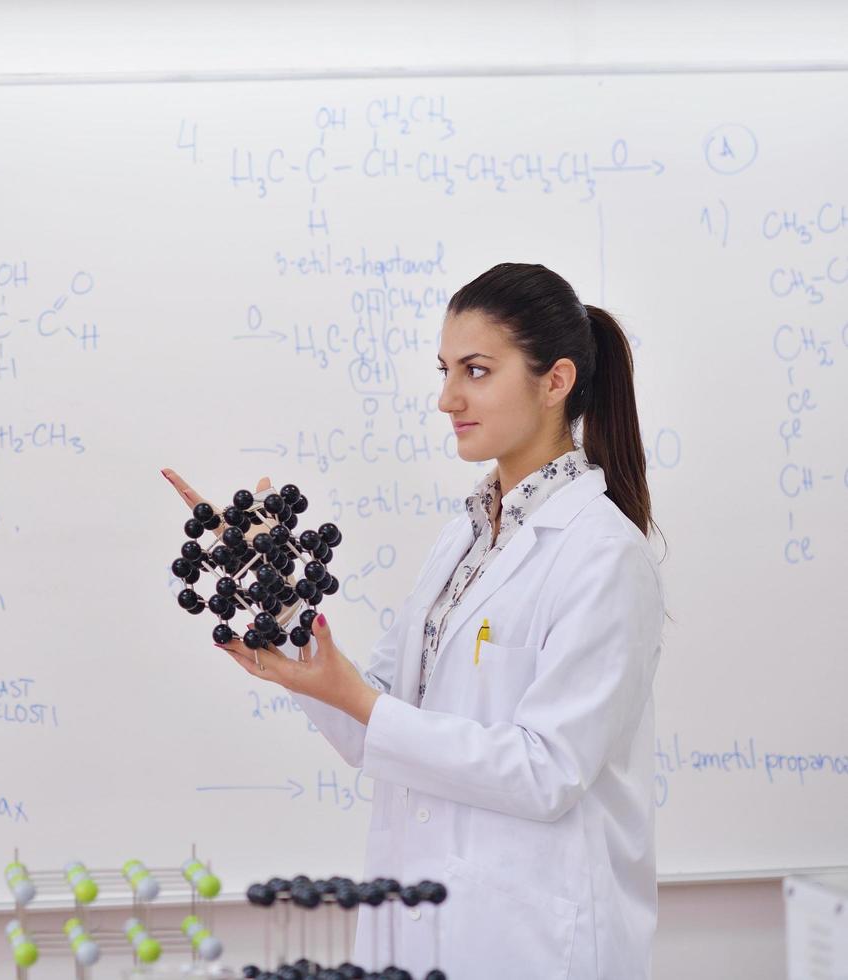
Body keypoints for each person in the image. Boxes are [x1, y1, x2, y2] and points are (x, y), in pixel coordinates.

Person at [164, 262, 665, 979]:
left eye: (477, 370)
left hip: (533, 937)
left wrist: (360, 702)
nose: (447, 398)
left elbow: (546, 771)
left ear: (555, 383)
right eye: (444, 369)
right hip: (424, 916)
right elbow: (382, 729)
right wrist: (273, 599)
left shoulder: (603, 554)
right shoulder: (464, 538)